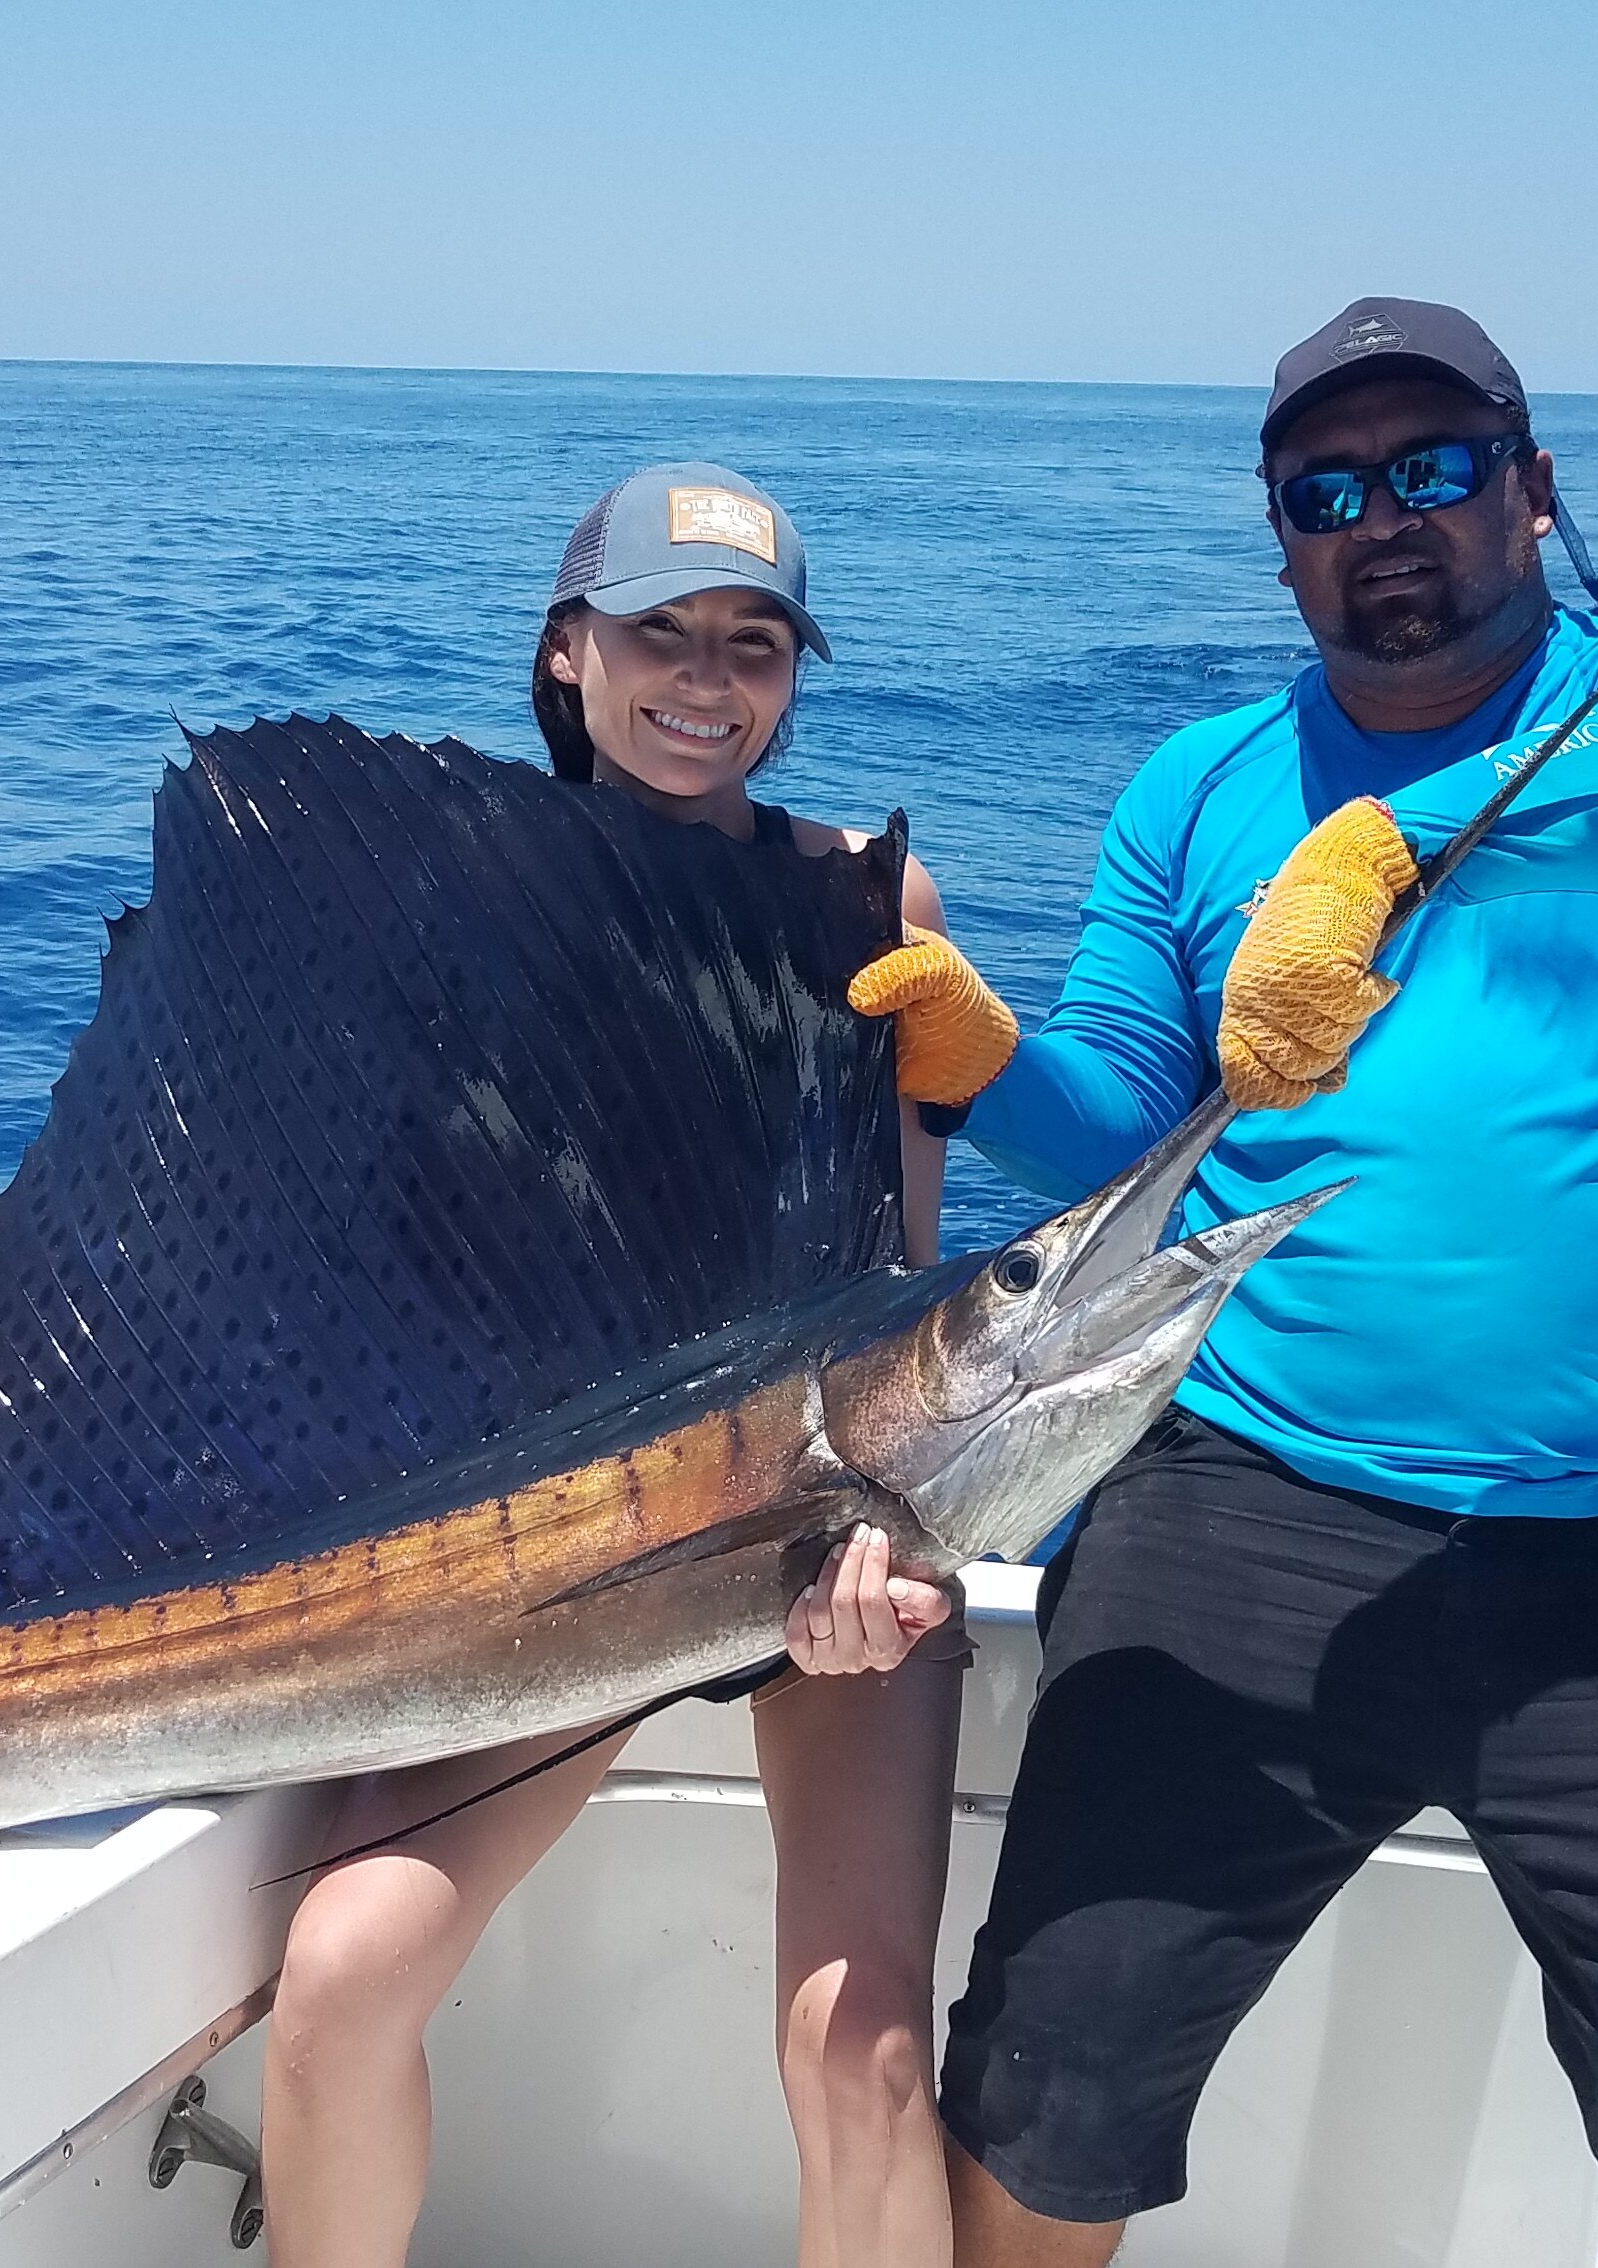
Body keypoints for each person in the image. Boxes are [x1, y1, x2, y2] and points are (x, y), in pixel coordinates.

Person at [859, 301, 1598, 2268]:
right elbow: (1134, 1139)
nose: (1384, 516)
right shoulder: (1196, 787)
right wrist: (974, 1060)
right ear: (1282, 541)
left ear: (1533, 488)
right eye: (1326, 491)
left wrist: (1391, 853)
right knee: (1050, 2081)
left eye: (1435, 467)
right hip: (1245, 1501)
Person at [260, 462, 1007, 2268]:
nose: (707, 679)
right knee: (346, 1971)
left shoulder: (868, 898)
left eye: (754, 644)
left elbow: (897, 1285)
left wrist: (873, 1552)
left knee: (866, 2052)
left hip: (831, 1521)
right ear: (568, 650)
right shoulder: (453, 899)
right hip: (579, 1543)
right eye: (660, 632)